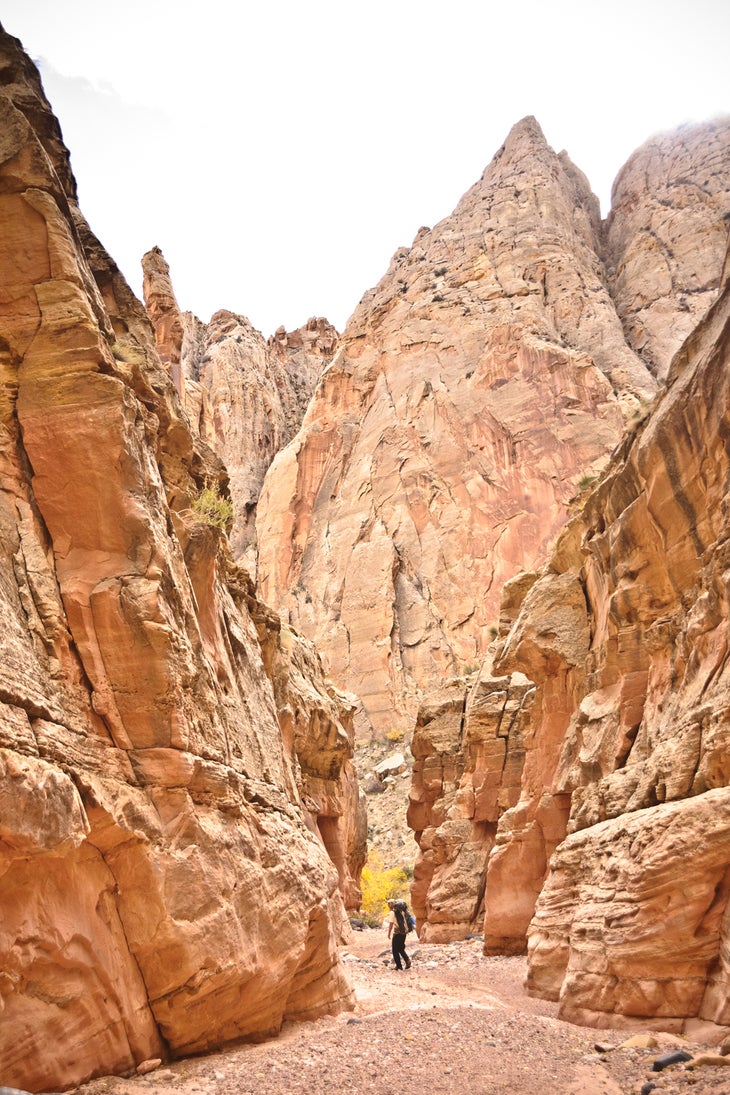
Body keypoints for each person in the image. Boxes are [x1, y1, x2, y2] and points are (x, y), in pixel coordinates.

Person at [386, 898, 411, 970]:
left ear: (391, 904)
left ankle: (399, 966)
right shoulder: (402, 911)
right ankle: (407, 960)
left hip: (397, 933)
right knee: (400, 948)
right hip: (404, 932)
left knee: (395, 950)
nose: (388, 905)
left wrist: (389, 933)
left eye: (389, 904)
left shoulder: (392, 912)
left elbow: (391, 923)